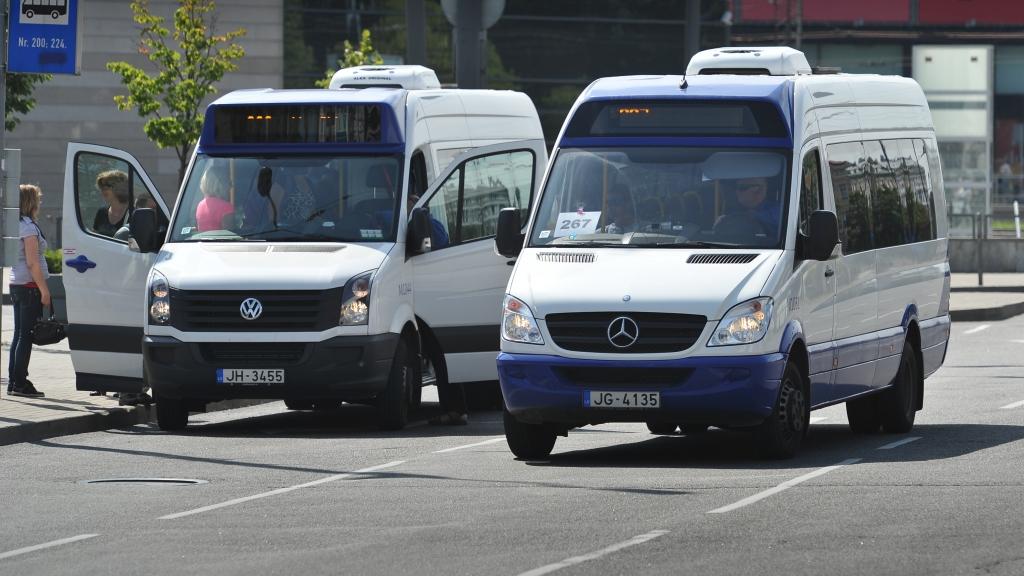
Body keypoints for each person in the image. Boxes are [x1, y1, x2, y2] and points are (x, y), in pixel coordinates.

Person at [7, 185, 50, 398]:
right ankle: (20, 383)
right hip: (29, 286)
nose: (40, 203)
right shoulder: (29, 228)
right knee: (25, 336)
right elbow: (33, 263)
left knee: (19, 335)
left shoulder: (16, 225)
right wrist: (44, 290)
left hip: (17, 284)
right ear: (31, 202)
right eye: (38, 200)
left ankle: (14, 381)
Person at [714, 176, 782, 239]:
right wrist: (722, 222)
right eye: (736, 187)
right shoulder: (734, 210)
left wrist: (754, 216)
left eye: (742, 188)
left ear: (759, 191)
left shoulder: (779, 210)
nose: (736, 191)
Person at [195, 164, 234, 232]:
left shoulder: (200, 205)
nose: (231, 186)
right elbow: (230, 235)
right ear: (219, 184)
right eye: (228, 181)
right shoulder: (226, 207)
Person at [93, 170, 130, 237]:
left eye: (106, 188)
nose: (102, 191)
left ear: (119, 188)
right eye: (101, 188)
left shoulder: (132, 213)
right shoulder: (101, 212)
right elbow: (93, 237)